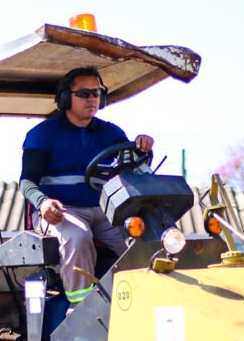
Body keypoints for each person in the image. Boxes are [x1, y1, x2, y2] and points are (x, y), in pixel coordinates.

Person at [20, 67, 153, 307]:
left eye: (96, 93)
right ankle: (79, 309)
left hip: (103, 211)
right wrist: (44, 202)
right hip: (61, 212)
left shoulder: (110, 132)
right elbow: (27, 181)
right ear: (64, 98)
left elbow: (135, 168)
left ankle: (143, 302)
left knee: (142, 235)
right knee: (78, 235)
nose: (91, 98)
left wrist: (143, 150)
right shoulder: (42, 135)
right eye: (83, 93)